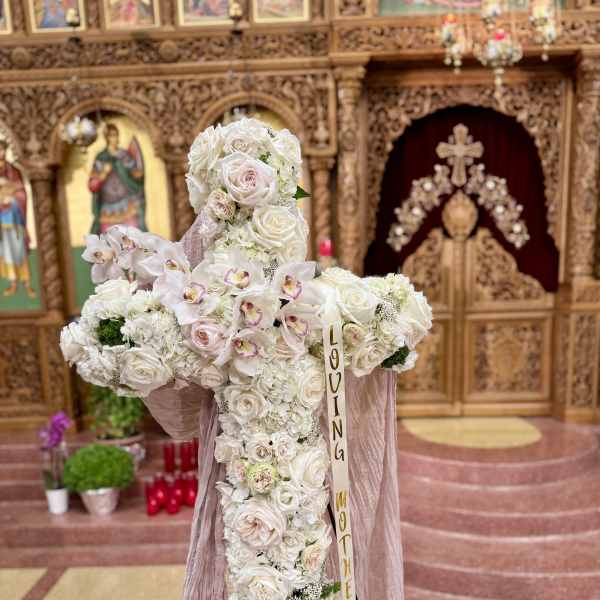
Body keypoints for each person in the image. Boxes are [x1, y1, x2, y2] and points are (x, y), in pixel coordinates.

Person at [144, 213, 405, 599]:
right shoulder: (220, 306)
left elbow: (379, 333)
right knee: (248, 563)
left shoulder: (313, 306)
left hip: (299, 468)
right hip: (243, 464)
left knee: (303, 558)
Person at [88, 123, 146, 234]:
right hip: (107, 209)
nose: (114, 138)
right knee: (109, 240)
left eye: (115, 135)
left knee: (133, 237)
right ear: (106, 137)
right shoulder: (101, 158)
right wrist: (103, 173)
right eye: (111, 135)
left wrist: (128, 169)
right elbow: (92, 185)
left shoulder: (123, 155)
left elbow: (136, 174)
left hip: (127, 205)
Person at [0, 140, 35, 299]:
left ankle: (27, 283)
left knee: (19, 250)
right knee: (6, 251)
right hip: (2, 220)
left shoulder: (13, 170)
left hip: (15, 218)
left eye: (1, 150)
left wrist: (12, 198)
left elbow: (22, 193)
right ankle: (13, 283)